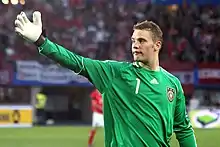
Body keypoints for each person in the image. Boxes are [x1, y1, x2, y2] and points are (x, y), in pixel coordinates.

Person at [14, 11, 197, 147]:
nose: (135, 46)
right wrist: (41, 42)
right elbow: (76, 62)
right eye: (133, 41)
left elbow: (183, 129)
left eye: (141, 41)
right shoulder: (115, 73)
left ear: (157, 45)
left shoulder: (172, 84)